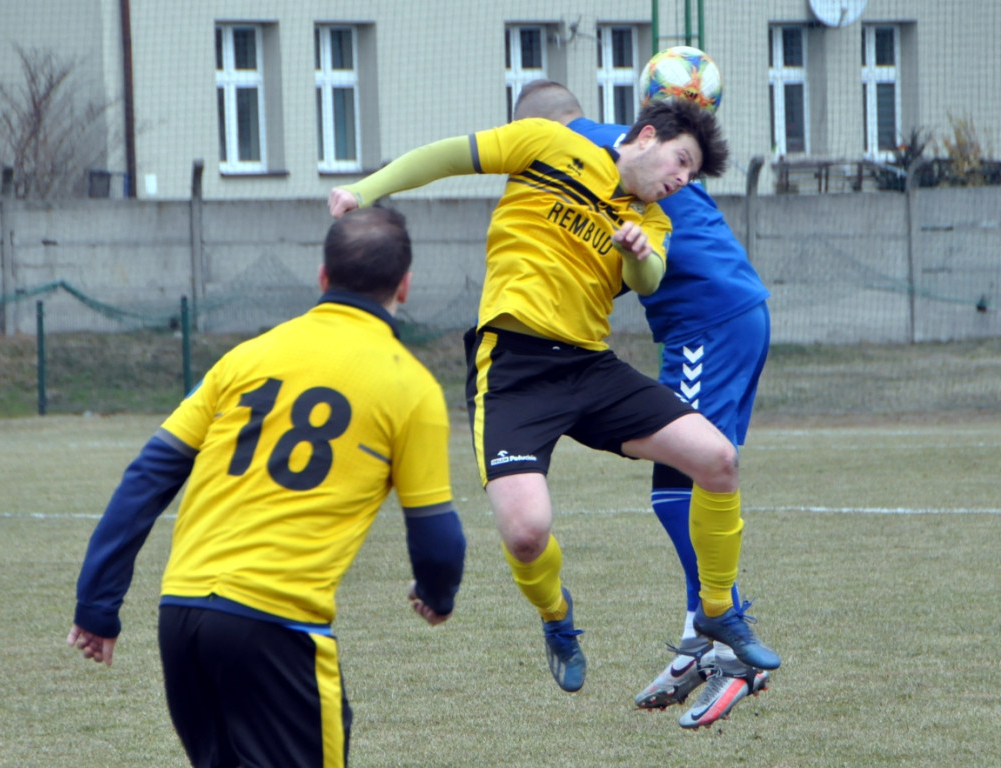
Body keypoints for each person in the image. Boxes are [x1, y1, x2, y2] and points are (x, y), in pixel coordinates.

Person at [327, 98, 779, 700]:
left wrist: (638, 252)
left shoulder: (655, 221)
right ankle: (557, 617)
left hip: (591, 369)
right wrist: (365, 190)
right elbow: (445, 157)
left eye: (691, 175)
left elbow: (650, 279)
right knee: (526, 534)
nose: (682, 179)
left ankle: (717, 610)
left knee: (718, 459)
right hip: (513, 368)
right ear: (647, 136)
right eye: (681, 161)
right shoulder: (546, 143)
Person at [67, 206, 467, 768]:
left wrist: (97, 603)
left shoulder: (245, 357)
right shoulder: (411, 387)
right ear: (405, 284)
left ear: (323, 278)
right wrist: (437, 593)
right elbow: (437, 536)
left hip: (182, 619)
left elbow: (147, 479)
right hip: (278, 628)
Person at [514, 78, 772, 728]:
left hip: (707, 323)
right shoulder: (631, 162)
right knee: (700, 475)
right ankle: (702, 634)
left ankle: (724, 640)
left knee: (676, 488)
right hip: (729, 315)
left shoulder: (585, 144)